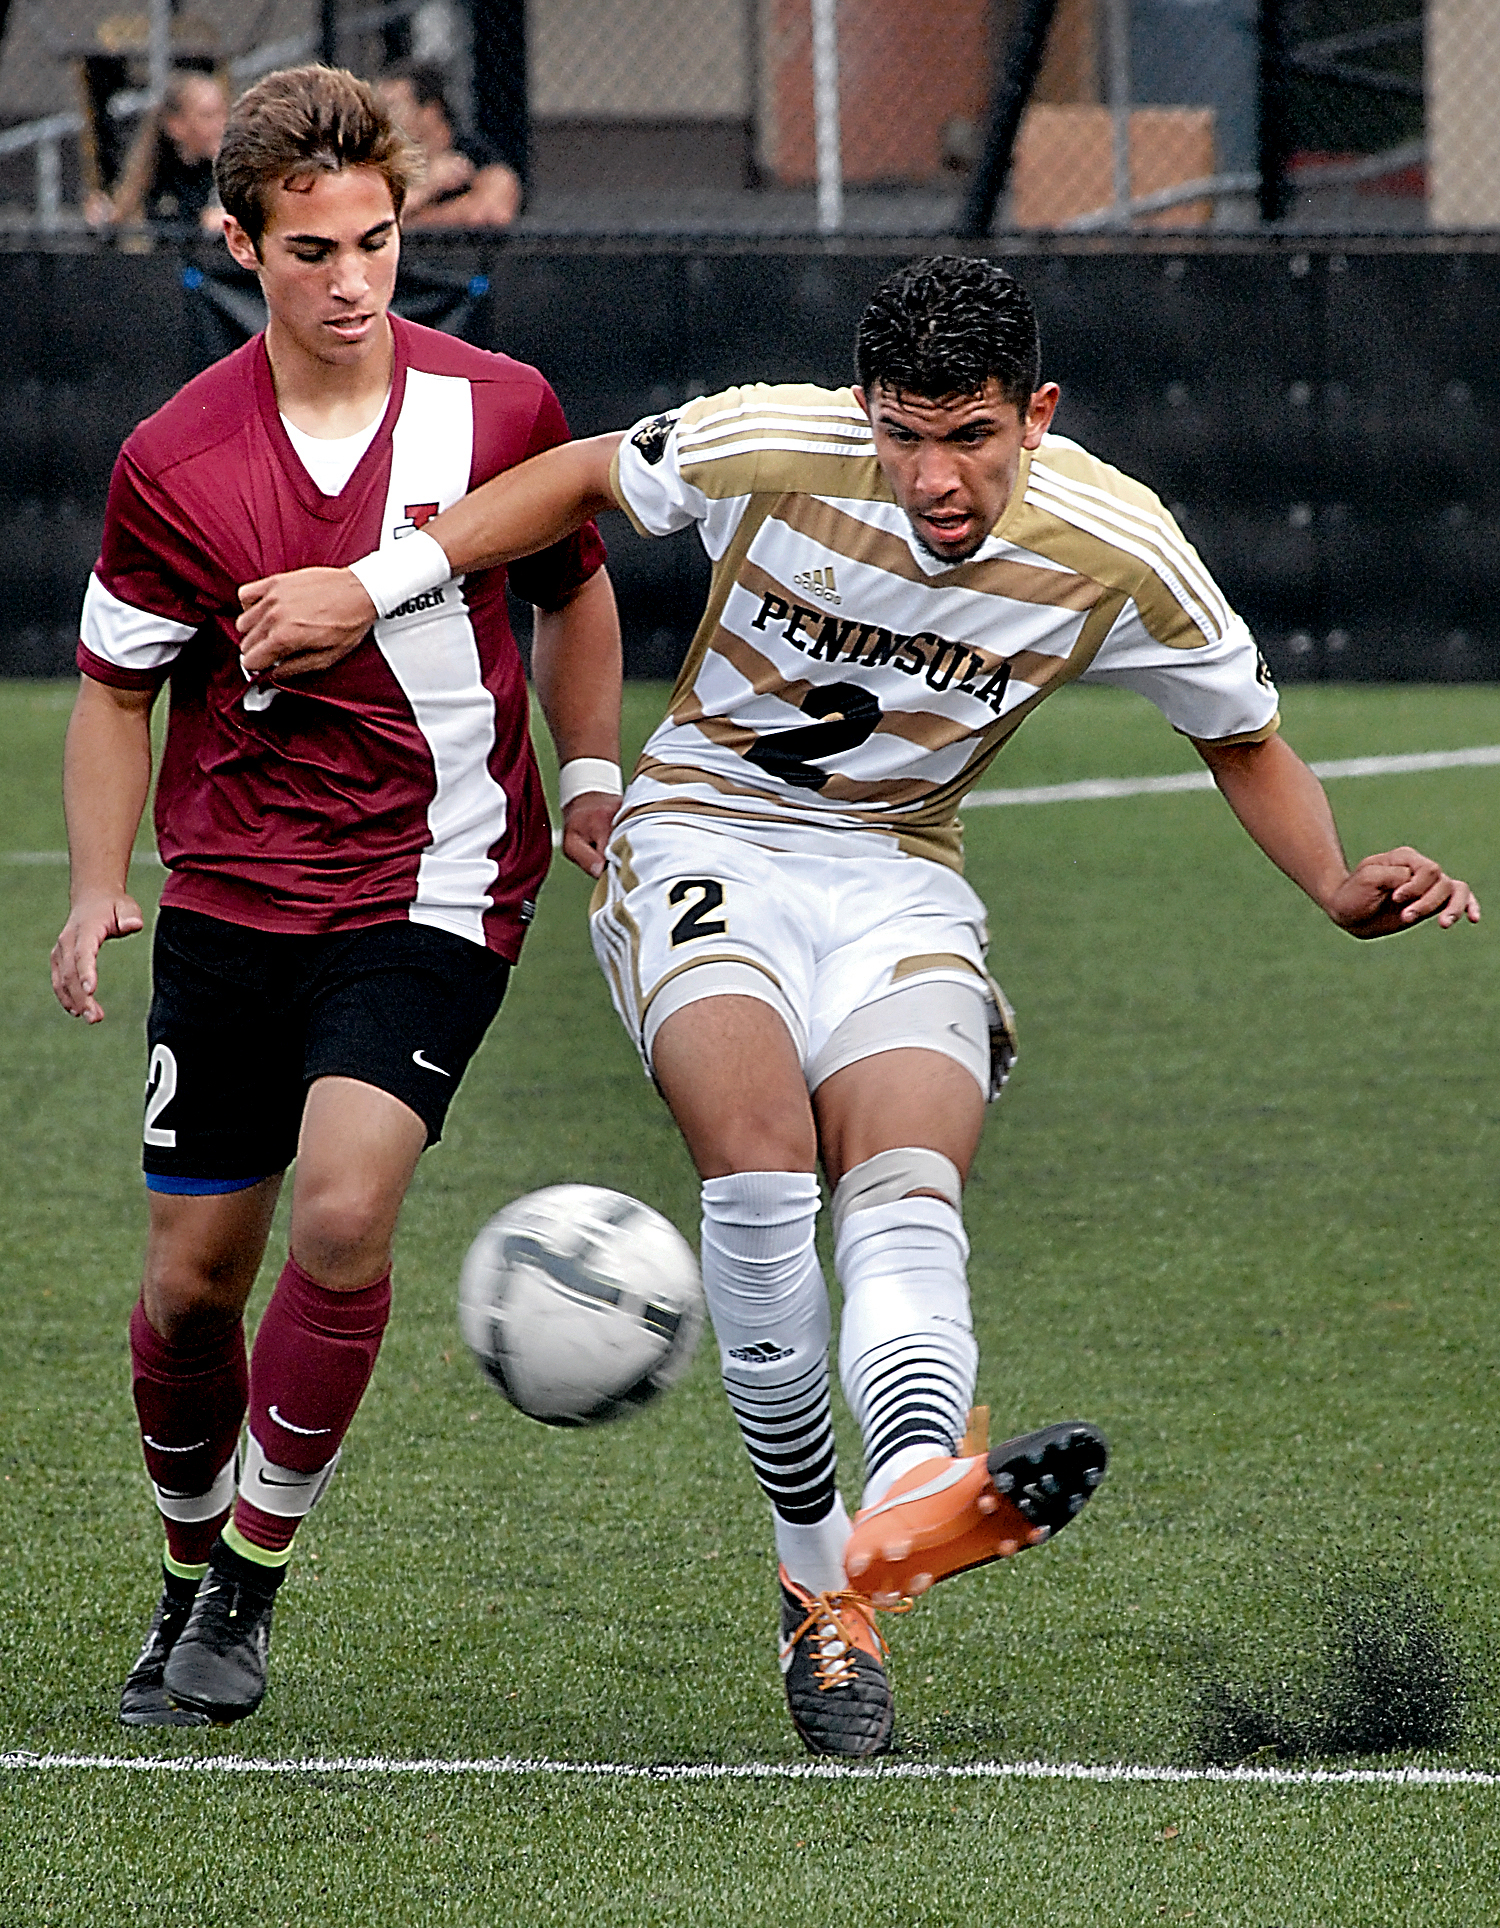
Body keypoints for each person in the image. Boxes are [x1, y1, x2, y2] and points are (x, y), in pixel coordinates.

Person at [234, 255, 1479, 1759]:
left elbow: (1246, 735)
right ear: (862, 411)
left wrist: (1337, 882)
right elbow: (573, 475)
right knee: (762, 1156)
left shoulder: (1121, 545)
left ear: (1040, 414)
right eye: (904, 433)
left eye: (970, 436)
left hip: (899, 877)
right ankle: (821, 1580)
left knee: (901, 1173)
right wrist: (370, 588)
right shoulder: (774, 438)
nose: (933, 477)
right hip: (700, 840)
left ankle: (894, 1527)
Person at [50, 64, 621, 1729]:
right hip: (231, 896)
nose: (356, 280)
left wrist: (587, 776)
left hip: (440, 878)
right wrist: (101, 886)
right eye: (313, 251)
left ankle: (247, 1584)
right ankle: (178, 1570)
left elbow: (578, 586)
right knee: (191, 1285)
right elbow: (113, 687)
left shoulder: (500, 408)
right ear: (240, 244)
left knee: (351, 1210)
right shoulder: (172, 458)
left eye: (379, 240)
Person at [376, 63, 521, 229]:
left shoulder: (478, 159)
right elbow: (369, 219)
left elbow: (488, 213)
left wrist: (411, 222)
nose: (383, 120)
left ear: (429, 112)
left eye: (393, 108)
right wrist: (428, 186)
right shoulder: (381, 164)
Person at [88, 69, 229, 232]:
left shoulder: (231, 170)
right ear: (176, 125)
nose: (221, 125)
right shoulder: (159, 174)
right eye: (207, 116)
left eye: (223, 113)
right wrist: (102, 216)